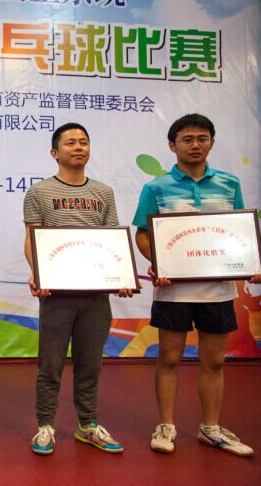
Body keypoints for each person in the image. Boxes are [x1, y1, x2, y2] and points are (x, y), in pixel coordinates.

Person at [133, 113, 260, 457]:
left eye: (202, 138)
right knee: (169, 359)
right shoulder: (156, 187)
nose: (195, 145)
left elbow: (239, 231)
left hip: (218, 290)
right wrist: (159, 263)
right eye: (187, 139)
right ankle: (166, 425)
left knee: (214, 362)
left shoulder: (229, 184)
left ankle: (210, 427)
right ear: (172, 145)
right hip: (173, 290)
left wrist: (251, 263)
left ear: (212, 143)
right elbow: (143, 235)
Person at [23, 122, 132, 455]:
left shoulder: (103, 193)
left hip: (95, 296)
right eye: (70, 143)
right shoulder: (39, 192)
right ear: (54, 152)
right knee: (50, 365)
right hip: (57, 295)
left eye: (83, 142)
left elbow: (111, 241)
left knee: (90, 365)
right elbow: (32, 239)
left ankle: (87, 425)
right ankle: (45, 426)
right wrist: (38, 274)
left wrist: (121, 276)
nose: (78, 147)